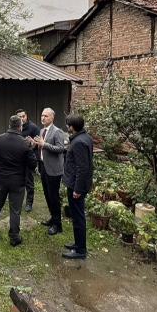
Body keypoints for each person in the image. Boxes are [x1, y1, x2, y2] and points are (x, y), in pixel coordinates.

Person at [0, 115, 38, 246]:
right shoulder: (25, 144)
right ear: (20, 127)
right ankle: (14, 237)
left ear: (9, 126)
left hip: (1, 179)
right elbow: (32, 164)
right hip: (17, 182)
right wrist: (31, 148)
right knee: (15, 210)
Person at [62, 113, 93, 259]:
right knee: (76, 216)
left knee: (78, 217)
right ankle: (78, 243)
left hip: (76, 185)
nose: (67, 127)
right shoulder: (84, 137)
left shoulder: (79, 142)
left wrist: (77, 189)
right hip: (76, 183)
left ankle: (80, 250)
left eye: (68, 125)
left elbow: (82, 168)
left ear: (72, 127)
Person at [34, 108, 66, 236]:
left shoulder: (57, 132)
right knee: (47, 195)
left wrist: (44, 143)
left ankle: (58, 225)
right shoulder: (42, 130)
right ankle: (52, 217)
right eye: (42, 115)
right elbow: (42, 147)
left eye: (46, 116)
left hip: (53, 169)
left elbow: (60, 149)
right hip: (43, 166)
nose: (43, 118)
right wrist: (35, 143)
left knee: (54, 197)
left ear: (52, 118)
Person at [16, 109, 39, 213]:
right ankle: (17, 200)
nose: (21, 118)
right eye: (19, 117)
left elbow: (40, 143)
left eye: (23, 116)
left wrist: (34, 143)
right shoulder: (16, 127)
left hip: (28, 158)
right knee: (16, 180)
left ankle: (29, 203)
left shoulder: (33, 128)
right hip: (17, 158)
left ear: (26, 116)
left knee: (29, 181)